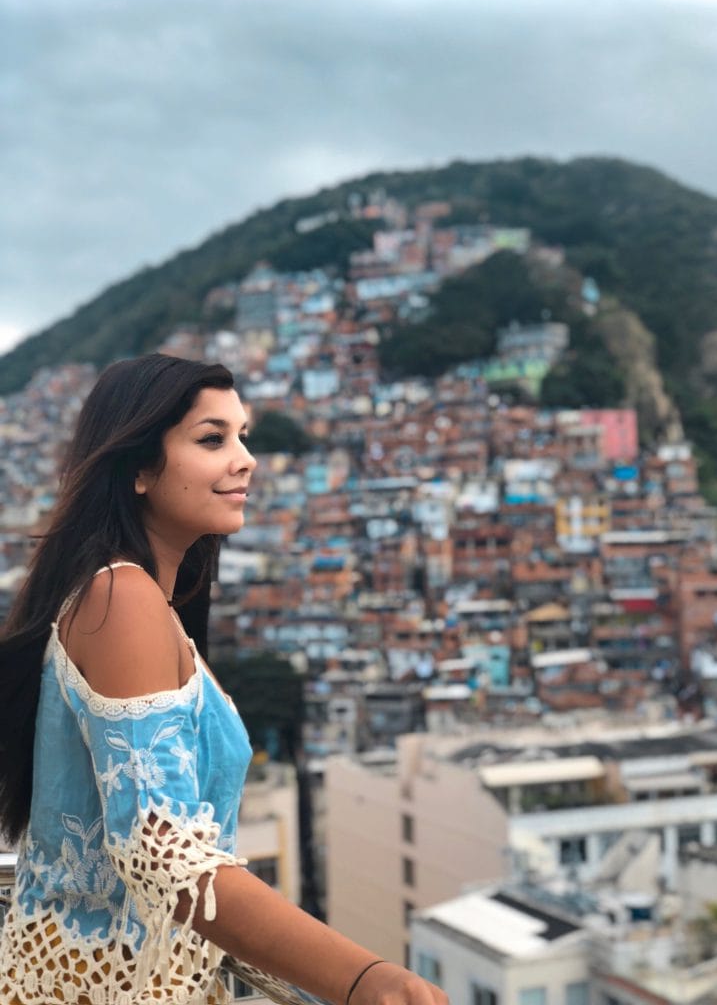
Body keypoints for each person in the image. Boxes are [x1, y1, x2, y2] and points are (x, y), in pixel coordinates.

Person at [0, 354, 447, 1005]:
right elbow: (164, 852)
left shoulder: (135, 602)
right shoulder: (120, 598)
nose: (246, 459)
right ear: (139, 470)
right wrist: (363, 979)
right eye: (213, 439)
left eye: (244, 436)